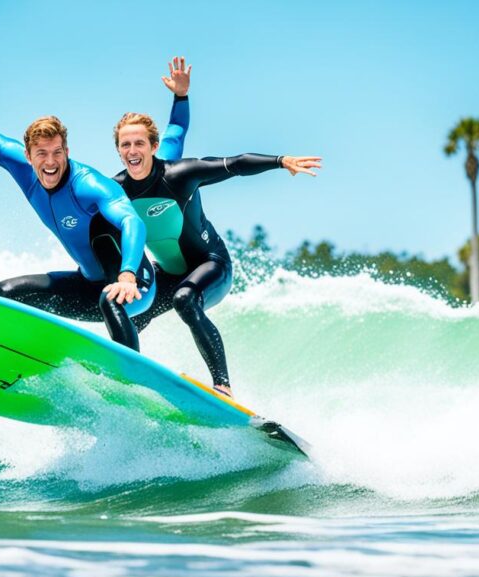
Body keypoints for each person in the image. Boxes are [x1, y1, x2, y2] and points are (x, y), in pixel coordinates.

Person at [0, 47, 170, 351]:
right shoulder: (22, 168)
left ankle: (132, 383)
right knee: (6, 292)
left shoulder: (89, 185)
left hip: (134, 287)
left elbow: (132, 221)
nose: (50, 162)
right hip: (89, 289)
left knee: (112, 297)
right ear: (28, 156)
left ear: (67, 152)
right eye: (41, 154)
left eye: (57, 152)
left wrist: (128, 275)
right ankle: (18, 358)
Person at [112, 69, 322, 396]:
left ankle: (222, 386)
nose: (133, 149)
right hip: (168, 272)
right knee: (129, 310)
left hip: (212, 265)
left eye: (139, 142)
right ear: (119, 150)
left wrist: (282, 161)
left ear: (153, 146)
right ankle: (124, 377)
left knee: (185, 299)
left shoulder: (180, 174)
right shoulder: (115, 191)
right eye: (125, 144)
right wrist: (180, 96)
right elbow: (177, 128)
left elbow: (235, 163)